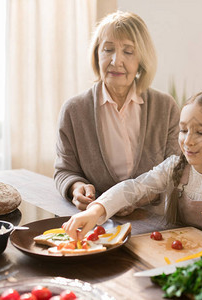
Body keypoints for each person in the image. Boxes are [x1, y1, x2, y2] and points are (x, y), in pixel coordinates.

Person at [62, 89, 202, 242]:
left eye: (200, 133)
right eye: (183, 130)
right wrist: (95, 211)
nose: (188, 141)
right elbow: (133, 188)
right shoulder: (175, 167)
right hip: (174, 256)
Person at [54, 11, 180, 211]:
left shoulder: (165, 107)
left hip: (152, 225)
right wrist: (76, 188)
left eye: (128, 51)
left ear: (141, 59)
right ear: (97, 54)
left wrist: (134, 198)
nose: (116, 61)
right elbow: (64, 171)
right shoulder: (73, 111)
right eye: (108, 49)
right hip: (95, 225)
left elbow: (176, 170)